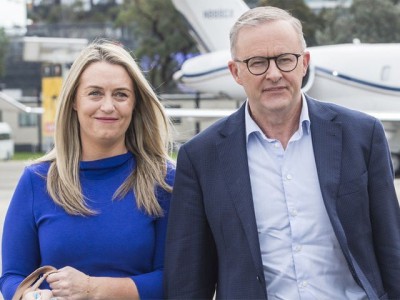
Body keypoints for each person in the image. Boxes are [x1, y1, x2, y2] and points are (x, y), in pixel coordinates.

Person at [164, 6, 400, 300]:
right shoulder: (200, 157)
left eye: (285, 60)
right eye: (257, 63)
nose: (274, 74)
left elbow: (392, 250)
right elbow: (188, 279)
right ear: (235, 72)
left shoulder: (363, 136)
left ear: (304, 63)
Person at [0, 40, 175, 300]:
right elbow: (12, 276)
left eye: (121, 94)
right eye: (94, 93)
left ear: (135, 104)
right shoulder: (37, 180)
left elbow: (174, 280)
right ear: (73, 101)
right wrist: (34, 297)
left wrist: (93, 289)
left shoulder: (164, 181)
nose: (108, 106)